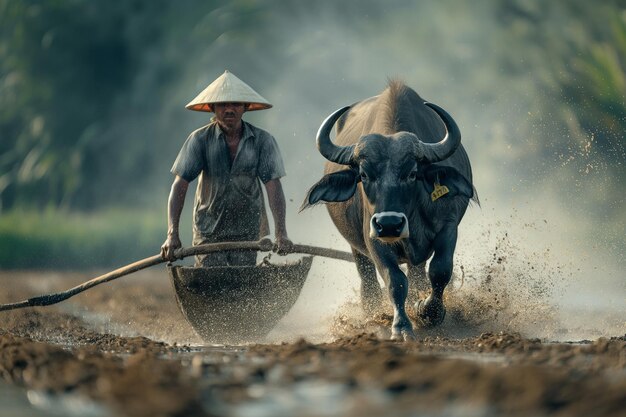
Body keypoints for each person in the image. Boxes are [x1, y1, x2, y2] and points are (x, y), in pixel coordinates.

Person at [160, 70, 292, 266]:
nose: (229, 109)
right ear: (213, 108)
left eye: (235, 104)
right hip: (209, 230)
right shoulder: (199, 140)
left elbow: (273, 186)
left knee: (242, 283)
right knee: (211, 281)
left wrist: (281, 232)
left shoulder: (263, 141)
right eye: (222, 104)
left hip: (247, 230)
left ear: (245, 107)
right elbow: (180, 185)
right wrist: (172, 234)